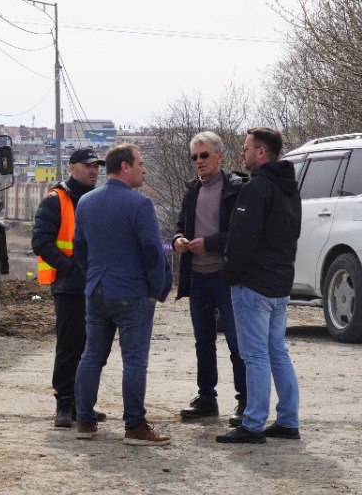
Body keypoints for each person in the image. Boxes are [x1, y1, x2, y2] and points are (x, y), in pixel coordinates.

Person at [72, 143, 173, 445]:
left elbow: (80, 249)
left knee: (91, 356)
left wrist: (92, 277)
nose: (144, 169)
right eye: (140, 163)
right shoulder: (139, 204)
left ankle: (85, 421)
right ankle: (135, 427)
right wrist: (157, 290)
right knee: (134, 361)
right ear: (125, 167)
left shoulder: (86, 202)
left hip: (97, 290)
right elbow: (153, 252)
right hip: (132, 293)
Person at [217, 127, 302, 444]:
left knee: (254, 354)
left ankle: (252, 424)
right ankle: (288, 420)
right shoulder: (290, 189)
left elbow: (241, 240)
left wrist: (229, 273)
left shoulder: (256, 190)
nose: (243, 154)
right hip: (280, 283)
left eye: (246, 148)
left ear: (262, 152)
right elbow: (292, 236)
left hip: (254, 284)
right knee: (277, 351)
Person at [172, 131, 248, 425]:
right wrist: (180, 240)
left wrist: (210, 243)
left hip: (225, 276)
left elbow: (241, 235)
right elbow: (181, 226)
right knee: (203, 341)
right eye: (194, 157)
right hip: (199, 278)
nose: (199, 161)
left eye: (204, 155)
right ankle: (206, 398)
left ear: (219, 155)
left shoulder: (236, 188)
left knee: (236, 342)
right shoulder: (192, 190)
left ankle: (245, 401)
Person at [31, 148, 107, 428]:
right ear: (72, 168)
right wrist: (72, 269)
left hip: (97, 285)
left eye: (96, 166)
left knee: (93, 348)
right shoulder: (55, 200)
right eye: (88, 166)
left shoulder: (97, 200)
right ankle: (64, 403)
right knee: (70, 346)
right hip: (70, 286)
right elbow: (41, 242)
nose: (93, 171)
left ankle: (83, 404)